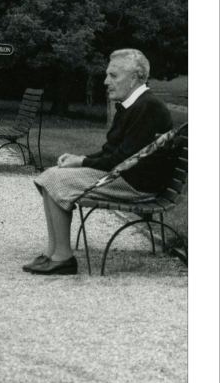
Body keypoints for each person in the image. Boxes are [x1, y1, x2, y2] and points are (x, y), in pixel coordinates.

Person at [24, 49, 174, 275]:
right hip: (125, 175)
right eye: (107, 75)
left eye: (113, 76)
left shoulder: (147, 107)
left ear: (134, 77)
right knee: (52, 175)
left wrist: (82, 161)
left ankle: (63, 258)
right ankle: (53, 252)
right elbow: (113, 153)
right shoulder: (133, 104)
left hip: (136, 184)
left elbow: (122, 160)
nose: (106, 81)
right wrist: (80, 161)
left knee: (56, 179)